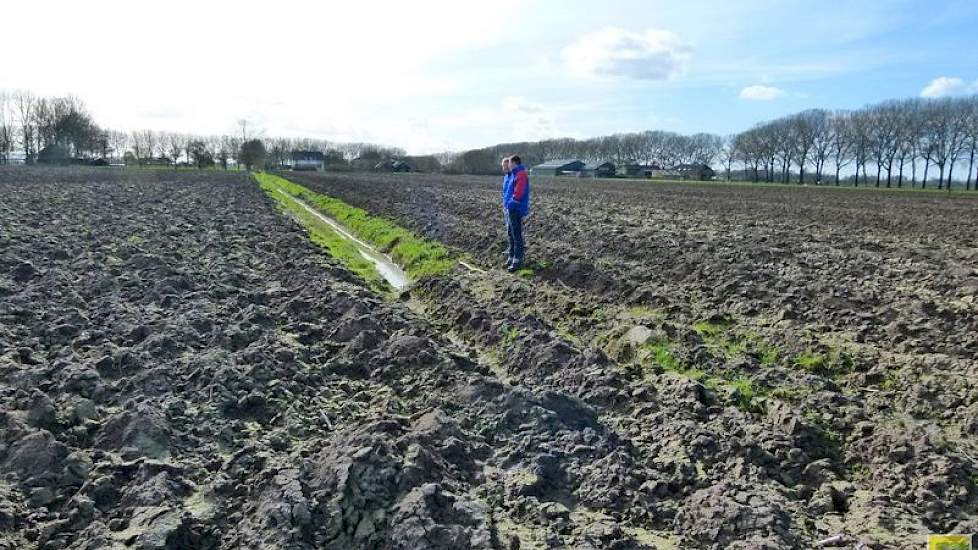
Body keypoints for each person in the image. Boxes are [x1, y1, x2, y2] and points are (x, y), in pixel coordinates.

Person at [503, 155, 530, 271]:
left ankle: (517, 260)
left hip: (516, 208)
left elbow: (518, 194)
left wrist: (510, 204)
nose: (508, 165)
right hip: (511, 208)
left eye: (509, 163)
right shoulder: (514, 174)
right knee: (511, 233)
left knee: (516, 235)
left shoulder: (521, 174)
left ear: (514, 163)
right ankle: (512, 256)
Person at [500, 156, 514, 263]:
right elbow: (505, 192)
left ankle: (514, 252)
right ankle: (510, 249)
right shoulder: (506, 177)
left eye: (505, 166)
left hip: (512, 207)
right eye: (502, 166)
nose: (504, 168)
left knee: (512, 231)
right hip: (506, 207)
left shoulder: (513, 176)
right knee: (508, 231)